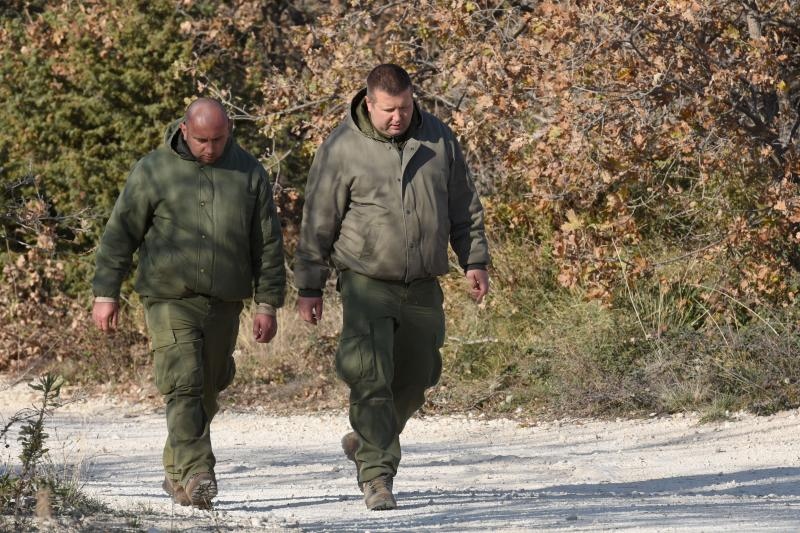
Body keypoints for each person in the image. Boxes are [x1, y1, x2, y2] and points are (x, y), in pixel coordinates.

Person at [294, 64, 490, 510]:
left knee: (420, 374)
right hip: (365, 281)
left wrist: (474, 259)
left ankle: (368, 437)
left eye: (403, 107)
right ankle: (378, 476)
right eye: (387, 110)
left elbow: (464, 206)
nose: (397, 117)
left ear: (412, 98)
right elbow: (317, 223)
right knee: (371, 377)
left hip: (422, 281)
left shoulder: (439, 139)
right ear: (369, 104)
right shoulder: (342, 147)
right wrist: (309, 285)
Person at [91, 98, 286, 509]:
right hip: (168, 297)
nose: (210, 149)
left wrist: (267, 303)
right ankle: (199, 471)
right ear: (184, 129)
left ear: (229, 131)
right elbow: (120, 234)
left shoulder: (248, 172)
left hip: (225, 301)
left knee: (209, 389)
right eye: (201, 140)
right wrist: (106, 293)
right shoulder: (153, 170)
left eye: (218, 139)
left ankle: (177, 470)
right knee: (184, 383)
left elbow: (267, 244)